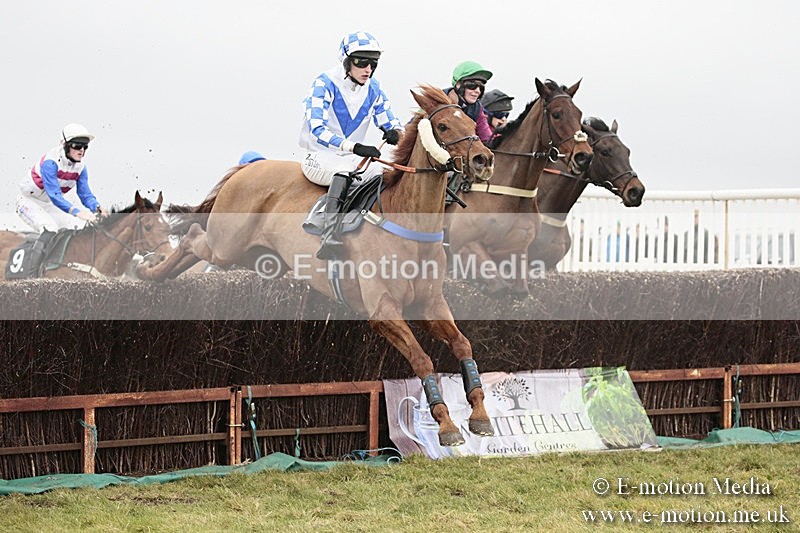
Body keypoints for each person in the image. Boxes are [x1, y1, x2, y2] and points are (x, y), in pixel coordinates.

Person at [299, 31, 403, 259]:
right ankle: (328, 234)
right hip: (319, 156)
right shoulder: (323, 83)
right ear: (346, 61)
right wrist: (353, 147)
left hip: (351, 157)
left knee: (383, 172)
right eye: (361, 62)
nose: (368, 69)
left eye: (373, 63)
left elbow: (389, 119)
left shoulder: (374, 88)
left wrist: (396, 132)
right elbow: (317, 129)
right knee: (346, 172)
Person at [16, 123, 108, 265]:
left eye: (85, 147)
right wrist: (77, 212)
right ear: (65, 145)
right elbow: (54, 195)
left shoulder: (81, 168)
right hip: (28, 201)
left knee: (72, 229)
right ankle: (32, 275)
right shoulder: (50, 163)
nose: (82, 150)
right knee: (50, 228)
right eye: (77, 146)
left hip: (48, 204)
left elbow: (85, 194)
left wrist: (96, 207)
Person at [445, 61, 493, 143]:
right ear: (458, 85)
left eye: (481, 87)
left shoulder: (477, 108)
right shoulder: (436, 101)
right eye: (472, 85)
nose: (478, 91)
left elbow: (486, 137)